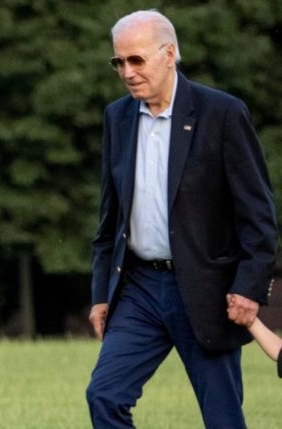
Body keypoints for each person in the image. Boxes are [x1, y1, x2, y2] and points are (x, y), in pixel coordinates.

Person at [85, 10, 277, 428]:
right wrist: (102, 293)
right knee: (104, 396)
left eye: (136, 60)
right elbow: (109, 216)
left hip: (206, 289)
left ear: (169, 54)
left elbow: (258, 214)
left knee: (223, 418)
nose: (127, 72)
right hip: (138, 289)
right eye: (119, 62)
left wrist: (249, 286)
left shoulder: (222, 114)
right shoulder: (117, 117)